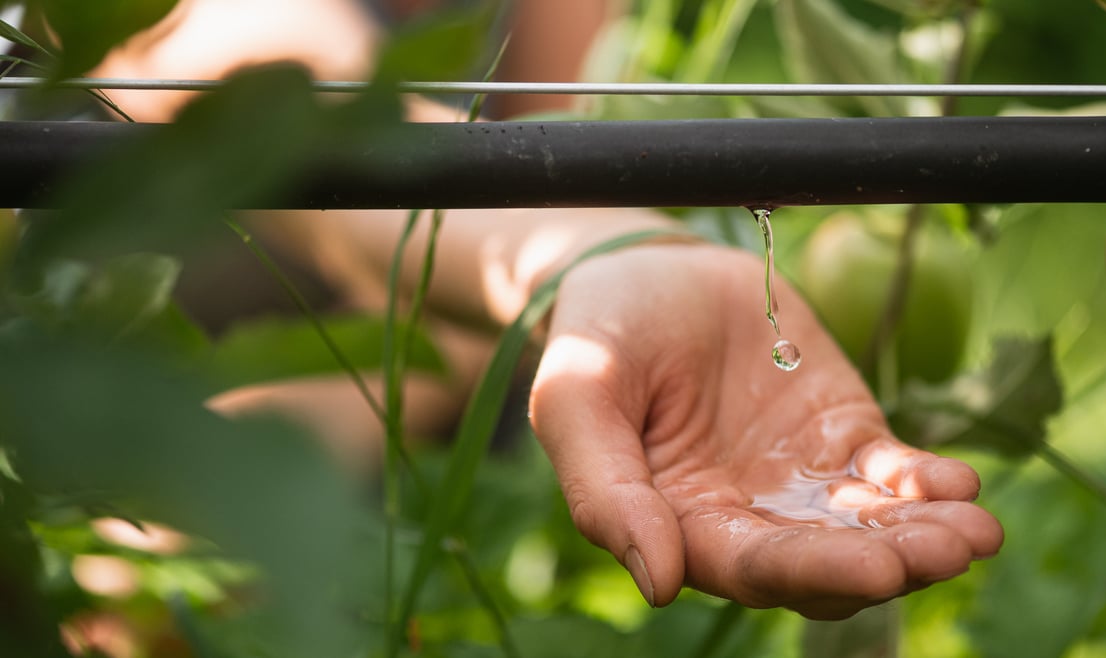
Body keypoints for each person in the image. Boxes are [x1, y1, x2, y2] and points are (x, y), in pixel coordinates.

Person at [86, 0, 1002, 617]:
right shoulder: (185, 23)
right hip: (137, 484)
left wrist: (616, 255)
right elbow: (301, 102)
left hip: (451, 466)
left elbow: (548, 181)